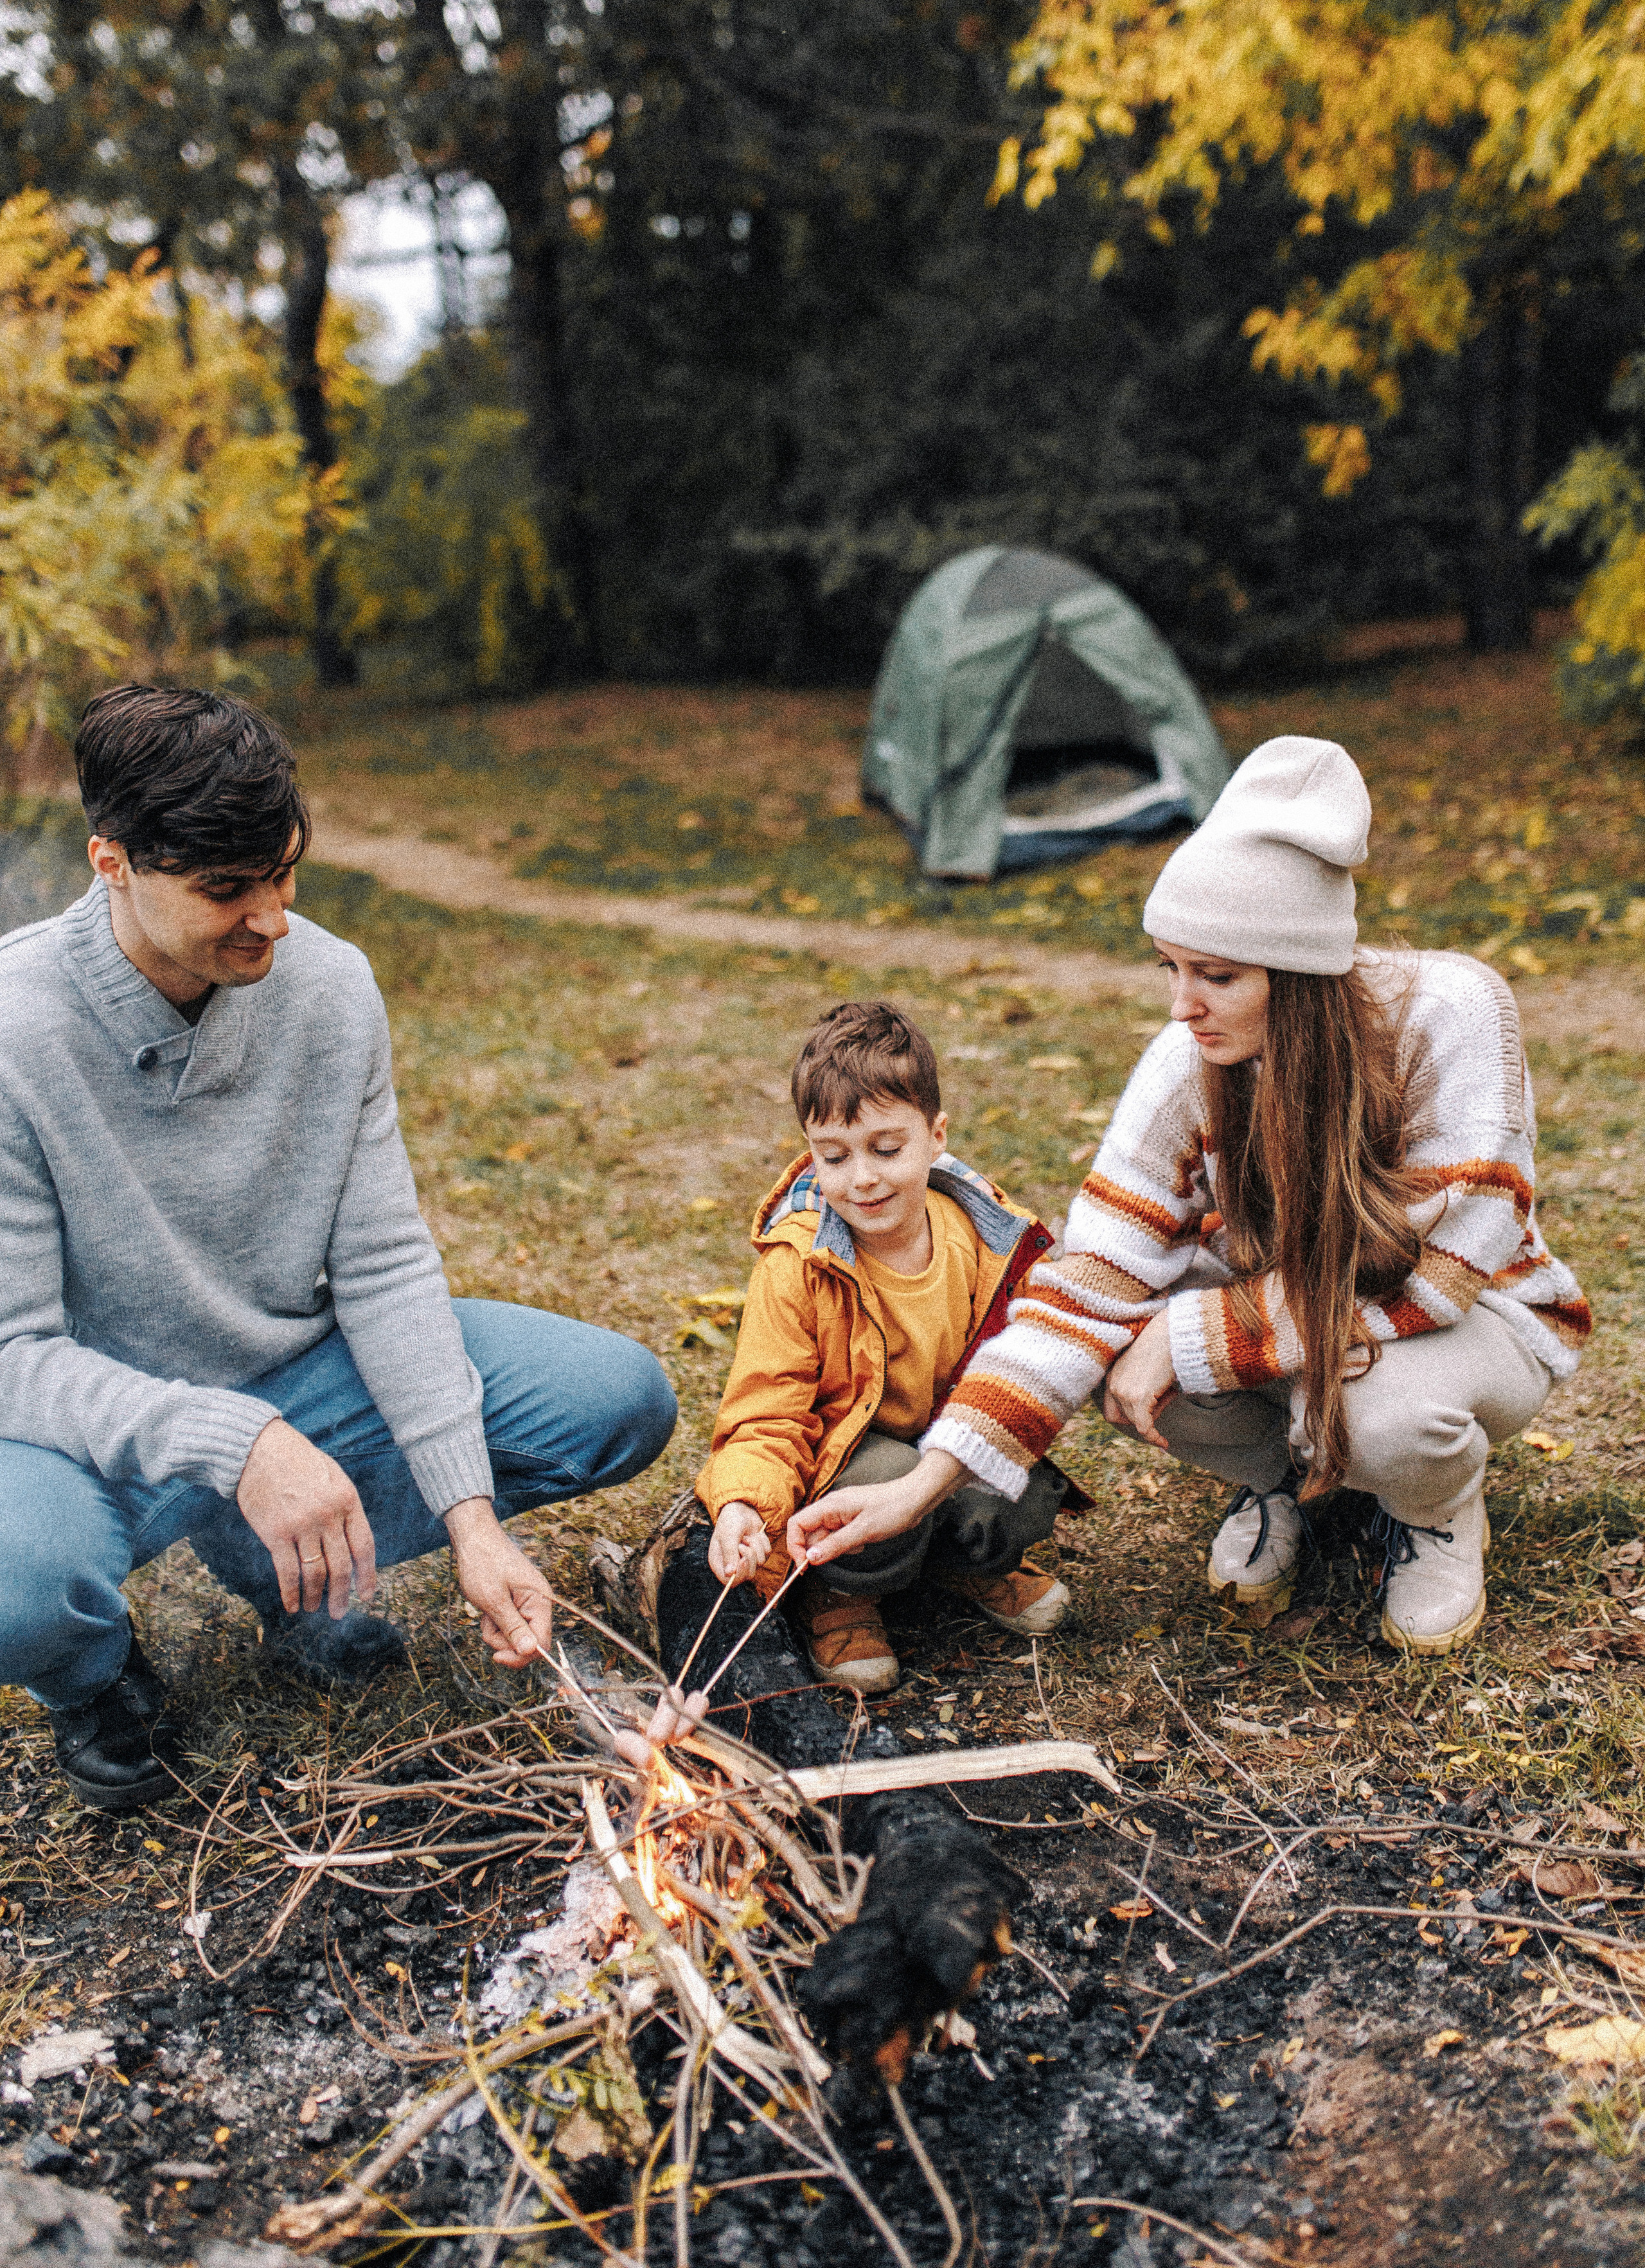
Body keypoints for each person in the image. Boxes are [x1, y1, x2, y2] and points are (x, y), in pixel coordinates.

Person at [0, 685, 677, 1812]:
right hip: (100, 1432)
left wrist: (470, 1517)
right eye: (227, 890)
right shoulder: (12, 1034)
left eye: (285, 871)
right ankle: (98, 1678)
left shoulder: (331, 987)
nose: (272, 917)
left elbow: (383, 1263)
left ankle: (292, 1576)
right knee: (14, 1584)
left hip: (305, 1375)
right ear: (111, 862)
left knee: (617, 1398)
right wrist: (239, 1444)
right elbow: (12, 1354)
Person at [790, 737, 1591, 1657]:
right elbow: (1081, 1289)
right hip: (1300, 1318)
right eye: (1169, 967)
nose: (1182, 1005)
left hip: (1473, 1323)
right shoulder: (1190, 1062)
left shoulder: (1454, 1015)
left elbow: (1441, 1272)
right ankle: (1282, 1486)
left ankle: (1435, 1511)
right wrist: (920, 1486)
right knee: (1106, 1343)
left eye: (1216, 975)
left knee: (1386, 1418)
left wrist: (1193, 1335)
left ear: (1299, 976)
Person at [691, 1000, 1076, 1696]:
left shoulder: (991, 1241)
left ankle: (964, 1561)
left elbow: (1034, 1369)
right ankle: (841, 1596)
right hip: (850, 1459)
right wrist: (745, 1504)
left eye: (886, 1149)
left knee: (1018, 1492)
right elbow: (766, 1412)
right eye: (833, 1156)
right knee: (883, 1469)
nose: (861, 1178)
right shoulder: (798, 1265)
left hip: (948, 1441)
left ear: (935, 1137)